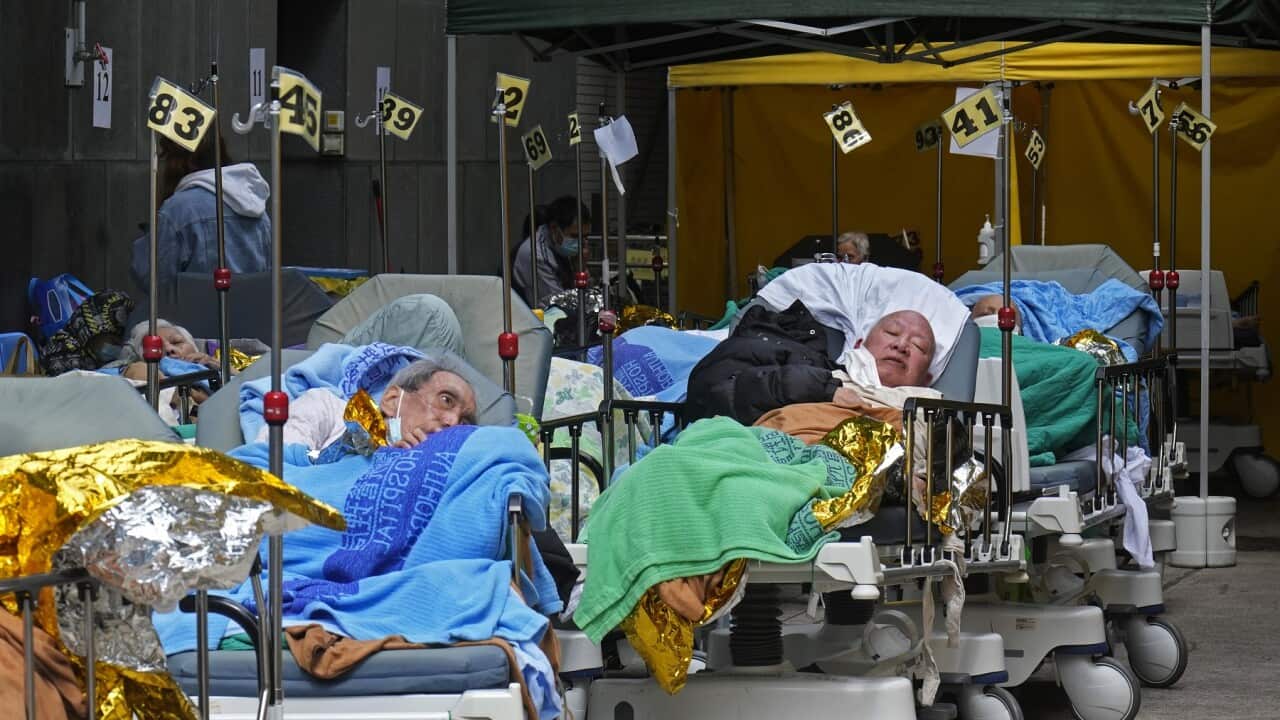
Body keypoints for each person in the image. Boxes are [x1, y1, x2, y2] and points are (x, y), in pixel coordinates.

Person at [686, 301, 936, 425]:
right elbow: (713, 388)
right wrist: (824, 390)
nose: (902, 345)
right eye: (892, 332)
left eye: (918, 346)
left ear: (927, 379)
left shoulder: (934, 418)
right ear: (858, 345)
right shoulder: (804, 362)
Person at [131, 133, 272, 292]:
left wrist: (151, 239)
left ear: (176, 163)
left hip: (194, 314)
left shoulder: (178, 210)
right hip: (253, 313)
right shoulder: (256, 205)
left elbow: (153, 280)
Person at [259, 358, 478, 452]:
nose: (453, 422)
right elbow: (273, 469)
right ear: (393, 400)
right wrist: (378, 461)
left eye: (465, 422)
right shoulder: (327, 408)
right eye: (446, 399)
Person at [513, 195, 591, 308]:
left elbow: (584, 296)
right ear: (554, 229)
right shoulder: (536, 254)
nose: (582, 243)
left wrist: (581, 268)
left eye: (585, 237)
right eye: (575, 236)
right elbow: (559, 304)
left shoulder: (563, 247)